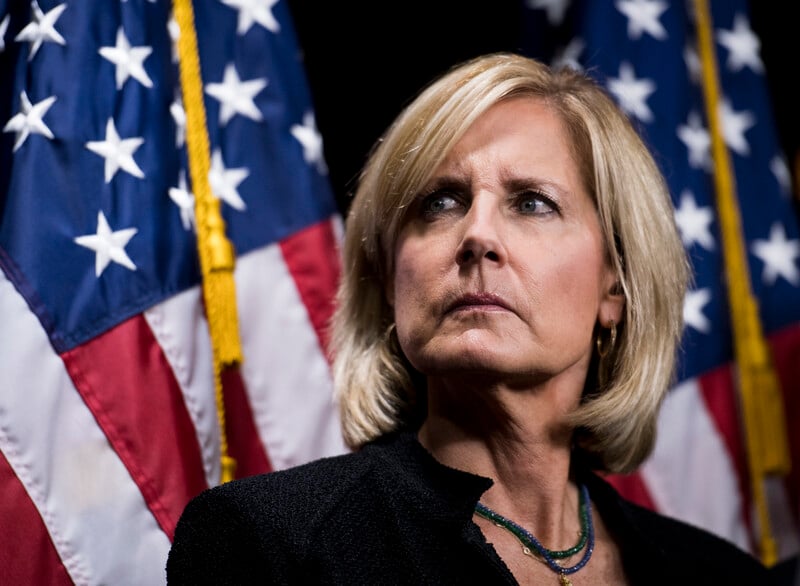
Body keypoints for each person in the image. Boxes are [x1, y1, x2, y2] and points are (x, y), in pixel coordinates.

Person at [166, 52, 772, 585]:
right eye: (441, 202)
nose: (477, 234)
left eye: (532, 202)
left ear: (615, 287)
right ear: (389, 276)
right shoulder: (266, 545)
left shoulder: (725, 576)